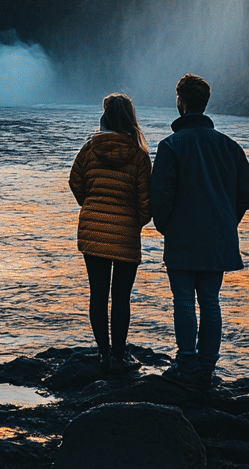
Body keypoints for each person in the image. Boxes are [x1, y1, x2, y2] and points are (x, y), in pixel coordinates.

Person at [150, 73, 249, 391]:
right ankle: (207, 369)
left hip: (182, 237)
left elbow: (161, 197)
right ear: (205, 103)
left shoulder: (170, 146)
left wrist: (166, 226)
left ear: (180, 102)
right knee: (210, 301)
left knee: (183, 301)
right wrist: (228, 220)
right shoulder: (230, 146)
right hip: (218, 237)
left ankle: (186, 365)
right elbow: (247, 195)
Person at [68, 93, 152, 375]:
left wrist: (90, 206)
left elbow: (75, 182)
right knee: (121, 297)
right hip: (126, 235)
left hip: (92, 230)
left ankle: (102, 354)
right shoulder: (140, 157)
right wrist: (133, 221)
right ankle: (119, 355)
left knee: (98, 294)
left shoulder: (89, 150)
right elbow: (145, 204)